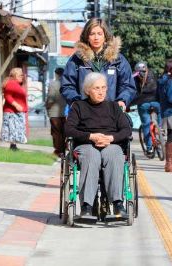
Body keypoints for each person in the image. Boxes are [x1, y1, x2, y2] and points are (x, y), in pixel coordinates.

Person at [64, 72, 132, 217]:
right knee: (92, 156)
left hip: (111, 144)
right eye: (96, 88)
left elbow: (126, 130)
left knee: (114, 154)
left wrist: (111, 138)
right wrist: (91, 136)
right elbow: (68, 129)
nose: (101, 92)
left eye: (103, 88)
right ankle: (87, 206)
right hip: (86, 144)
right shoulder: (78, 106)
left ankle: (118, 204)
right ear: (88, 90)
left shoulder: (114, 107)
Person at [61, 18, 136, 108]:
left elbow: (128, 85)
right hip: (85, 112)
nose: (96, 37)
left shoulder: (118, 59)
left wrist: (122, 100)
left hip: (111, 112)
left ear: (105, 36)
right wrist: (75, 101)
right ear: (87, 36)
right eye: (92, 34)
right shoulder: (77, 59)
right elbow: (67, 85)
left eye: (99, 34)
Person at [132, 61, 161, 156]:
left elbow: (133, 94)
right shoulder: (153, 74)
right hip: (156, 102)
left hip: (143, 103)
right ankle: (160, 129)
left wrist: (128, 105)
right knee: (160, 112)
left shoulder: (134, 78)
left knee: (146, 124)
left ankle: (149, 148)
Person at [0, 68, 27, 151]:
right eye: (20, 75)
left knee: (16, 129)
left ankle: (13, 146)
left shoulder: (16, 84)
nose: (22, 76)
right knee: (13, 129)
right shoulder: (12, 83)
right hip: (12, 112)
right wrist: (16, 105)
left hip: (16, 112)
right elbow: (7, 96)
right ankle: (13, 147)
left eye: (22, 75)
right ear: (15, 75)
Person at [46, 68, 67, 157]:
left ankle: (58, 151)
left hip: (55, 113)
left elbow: (51, 99)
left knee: (56, 133)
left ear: (56, 74)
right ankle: (64, 149)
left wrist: (47, 107)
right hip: (66, 113)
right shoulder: (68, 84)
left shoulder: (53, 84)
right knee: (64, 133)